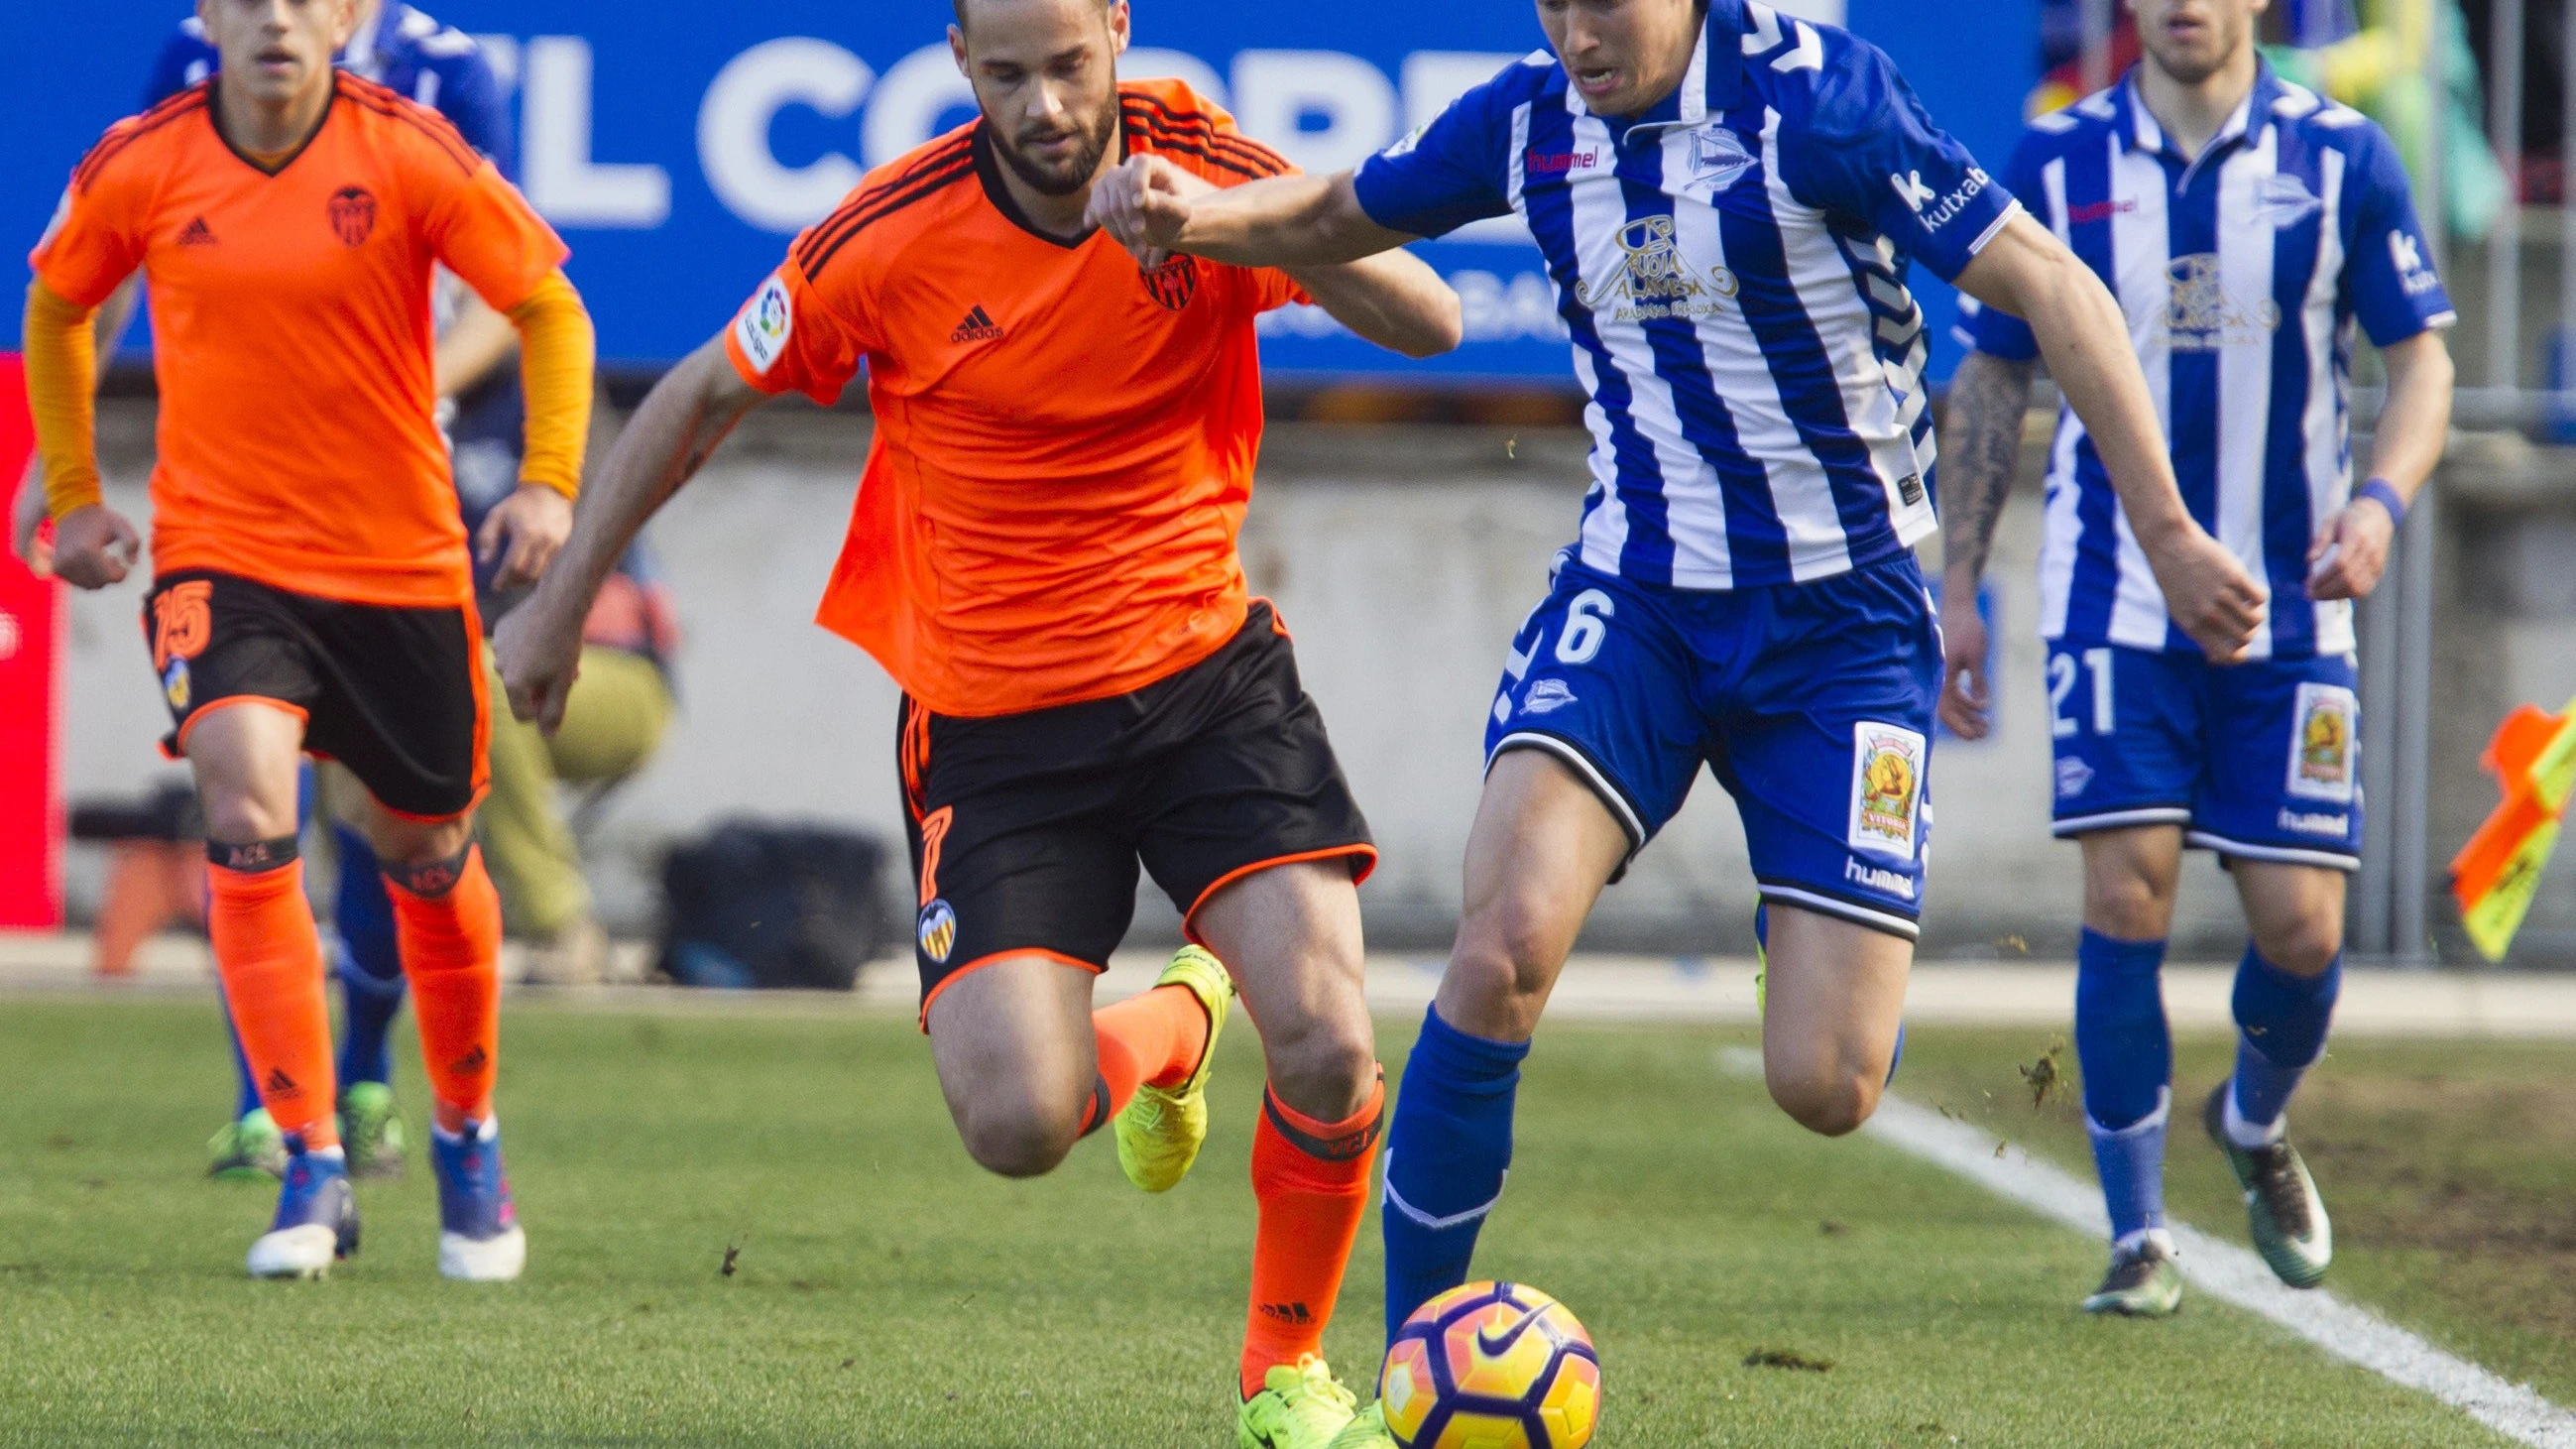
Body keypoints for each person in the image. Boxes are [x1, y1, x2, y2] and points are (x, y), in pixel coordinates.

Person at [1087, 0, 2268, 1438]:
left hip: (1842, 628)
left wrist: (2168, 533)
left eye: (1608, 2)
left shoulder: (1821, 102)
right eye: (1553, 1)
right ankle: (1415, 1370)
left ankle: (1805, 937)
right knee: (1500, 944)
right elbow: (1344, 206)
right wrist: (1199, 217)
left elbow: (2054, 289)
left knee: (1829, 1087)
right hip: (1637, 598)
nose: (1578, 30)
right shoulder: (1528, 119)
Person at [494, 0, 1458, 1438]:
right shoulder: (886, 237)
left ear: (1117, 32)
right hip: (995, 731)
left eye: (1071, 66)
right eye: (1008, 74)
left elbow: (1428, 319)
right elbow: (701, 391)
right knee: (1016, 1128)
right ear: (960, 62)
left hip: (1208, 683)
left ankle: (1281, 1377)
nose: (1048, 106)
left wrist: (1223, 229)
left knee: (1325, 1039)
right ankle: (1174, 1024)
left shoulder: (1201, 168)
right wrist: (562, 604)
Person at [26, 0, 595, 1280]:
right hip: (224, 556)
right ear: (209, 14)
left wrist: (550, 480)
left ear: (347, 17)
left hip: (398, 564)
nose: (278, 16)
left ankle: (466, 1137)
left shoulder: (408, 148)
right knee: (244, 794)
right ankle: (308, 1163)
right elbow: (59, 308)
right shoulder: (143, 159)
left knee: (428, 858)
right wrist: (72, 493)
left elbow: (551, 308)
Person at [1939, 0, 2454, 1315]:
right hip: (2110, 604)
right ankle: (2138, 1236)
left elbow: (2422, 366)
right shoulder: (2054, 162)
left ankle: (2250, 1120)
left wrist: (2379, 507)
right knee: (2127, 901)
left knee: (2299, 927)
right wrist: (1956, 588)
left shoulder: (2342, 158)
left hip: (2292, 613)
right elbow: (1994, 380)